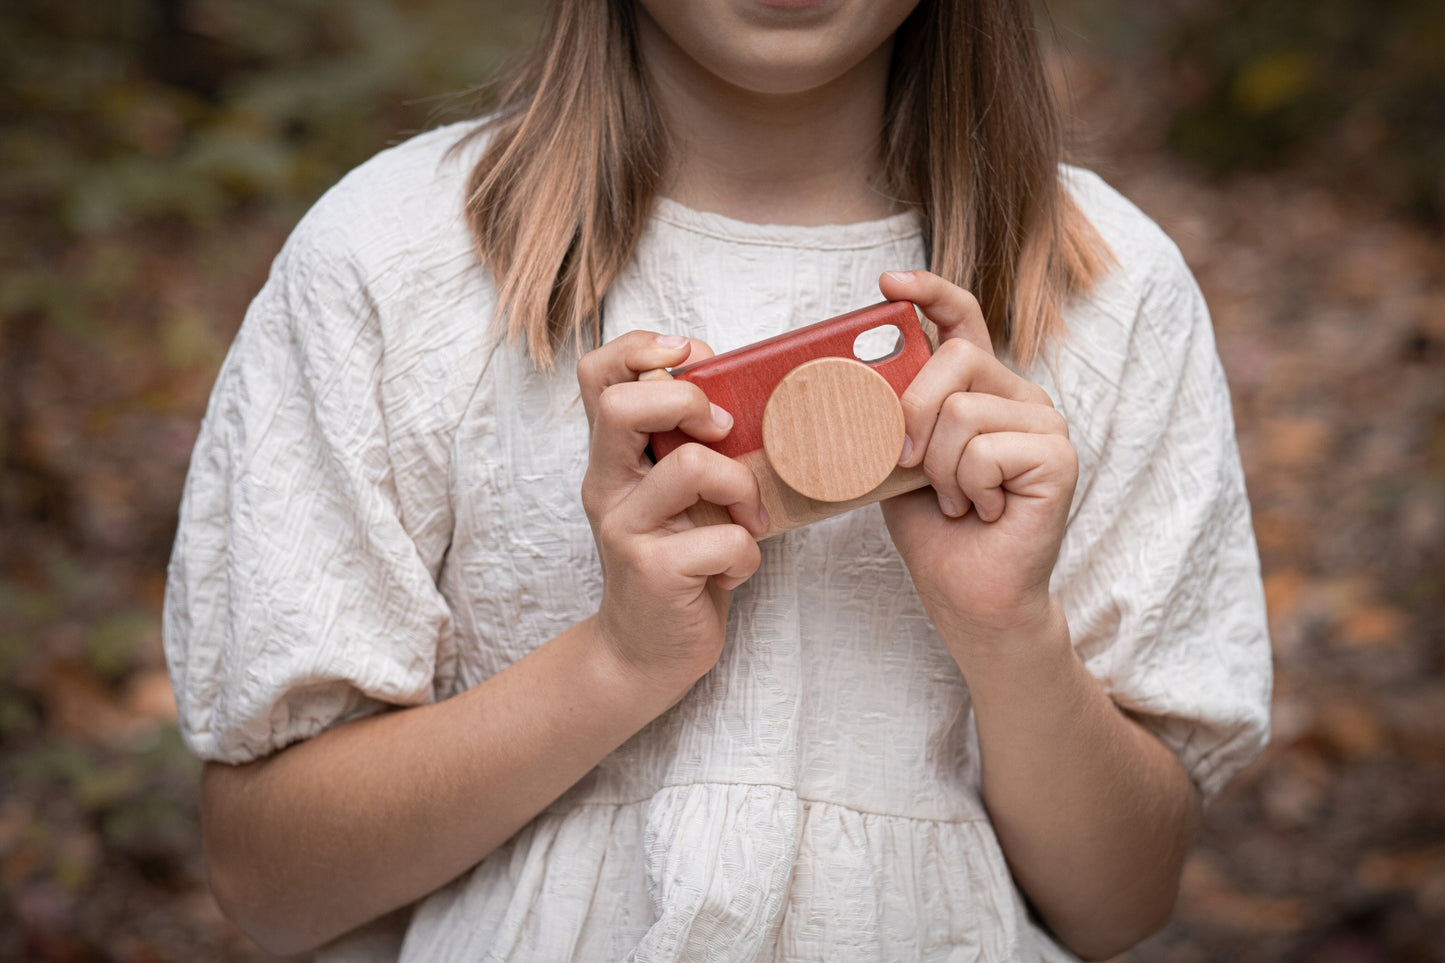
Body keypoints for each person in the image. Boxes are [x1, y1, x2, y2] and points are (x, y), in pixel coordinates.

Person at [163, 0, 1272, 959]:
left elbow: (1120, 903)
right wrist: (616, 662)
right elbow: (269, 884)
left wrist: (1007, 629)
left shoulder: (1106, 288)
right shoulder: (396, 261)